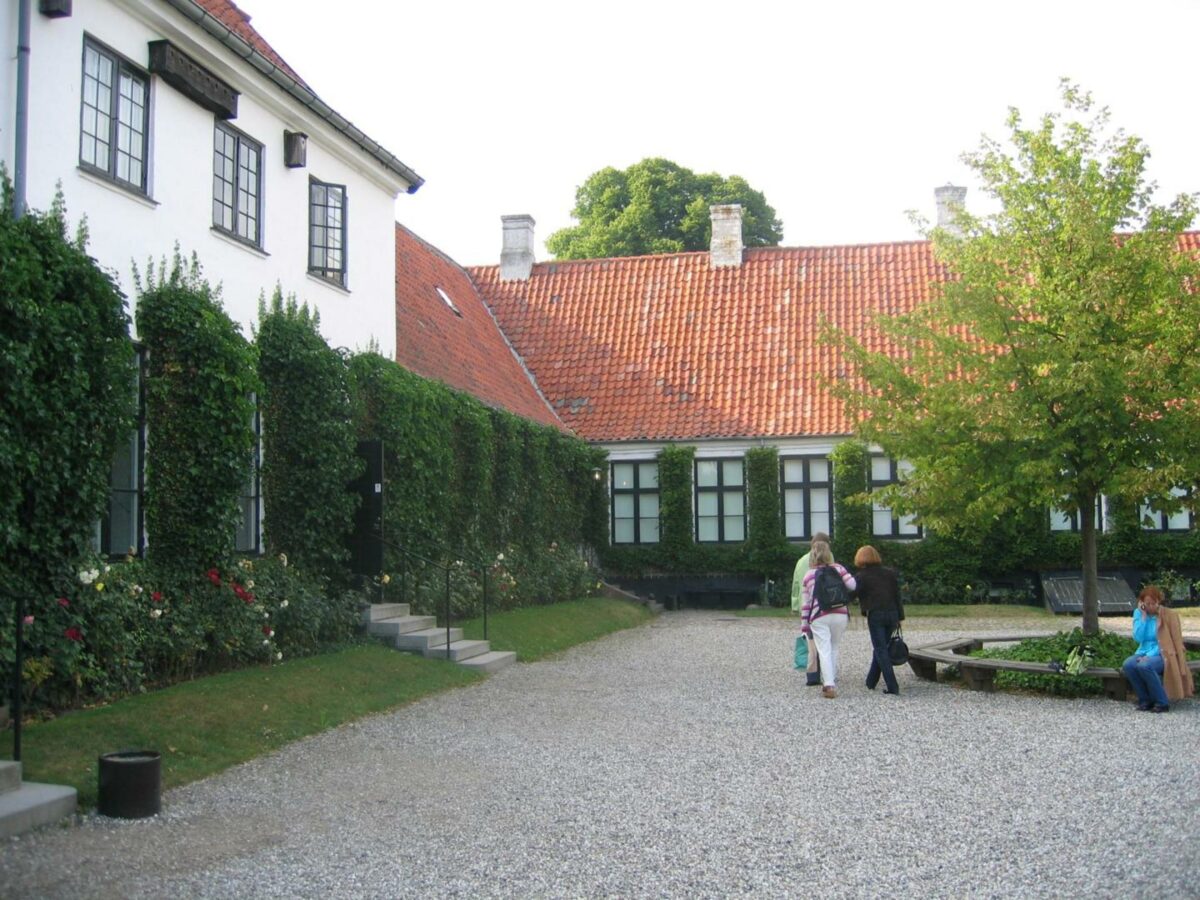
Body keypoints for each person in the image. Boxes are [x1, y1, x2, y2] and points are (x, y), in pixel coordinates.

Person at [1122, 585, 1195, 713]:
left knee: (1144, 666)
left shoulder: (1167, 615)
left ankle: (1162, 702)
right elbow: (1138, 638)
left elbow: (1169, 641)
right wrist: (1143, 617)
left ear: (1158, 602)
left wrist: (1149, 656)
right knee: (1128, 665)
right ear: (1142, 603)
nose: (1150, 606)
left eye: (1153, 603)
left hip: (1163, 652)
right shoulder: (1138, 613)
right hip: (1143, 650)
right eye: (1147, 603)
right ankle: (1145, 700)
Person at [800, 541, 856, 699]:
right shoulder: (839, 569)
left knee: (823, 649)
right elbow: (853, 585)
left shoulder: (809, 574)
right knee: (834, 647)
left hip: (819, 615)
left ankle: (829, 684)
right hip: (840, 613)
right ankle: (831, 679)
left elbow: (806, 604)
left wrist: (804, 626)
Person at [851, 545, 904, 695]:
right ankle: (871, 681)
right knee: (882, 647)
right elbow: (897, 596)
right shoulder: (890, 574)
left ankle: (892, 686)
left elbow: (851, 595)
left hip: (876, 615)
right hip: (892, 614)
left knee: (881, 649)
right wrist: (900, 616)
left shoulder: (861, 577)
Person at [790, 531, 830, 686]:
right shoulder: (828, 559)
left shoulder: (801, 561)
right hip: (823, 606)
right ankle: (827, 674)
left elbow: (795, 585)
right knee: (824, 641)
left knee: (809, 640)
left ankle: (812, 675)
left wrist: (795, 605)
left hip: (804, 604)